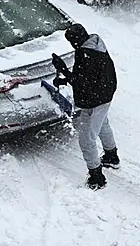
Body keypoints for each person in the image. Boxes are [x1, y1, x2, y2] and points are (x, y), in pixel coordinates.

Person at [52, 23, 119, 190]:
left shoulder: (86, 54)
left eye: (71, 41)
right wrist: (67, 76)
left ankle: (97, 177)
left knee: (86, 140)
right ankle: (111, 156)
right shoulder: (95, 45)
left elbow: (82, 83)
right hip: (104, 94)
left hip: (95, 99)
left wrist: (63, 71)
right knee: (103, 124)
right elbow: (86, 77)